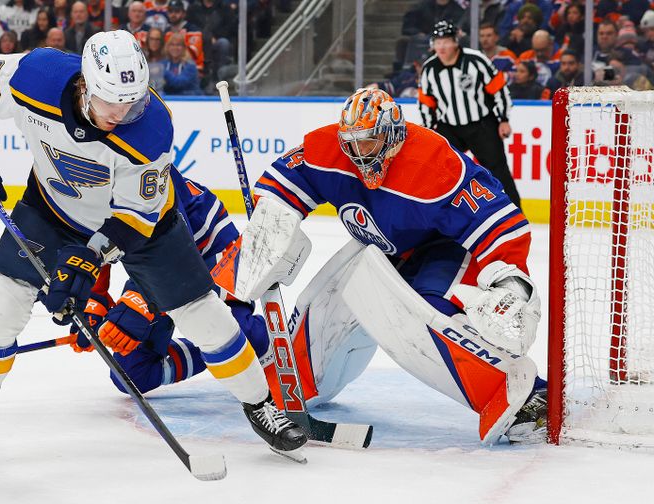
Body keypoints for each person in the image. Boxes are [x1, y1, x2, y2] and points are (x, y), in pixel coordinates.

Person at [0, 29, 306, 468]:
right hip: (51, 208)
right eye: (113, 102)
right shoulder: (35, 74)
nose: (125, 111)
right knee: (3, 300)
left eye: (133, 100)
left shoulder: (150, 127)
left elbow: (133, 218)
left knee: (202, 313)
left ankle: (261, 405)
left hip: (142, 224)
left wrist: (88, 263)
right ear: (85, 86)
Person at [214, 86, 547, 445]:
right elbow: (283, 183)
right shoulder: (327, 149)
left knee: (423, 316)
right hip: (384, 251)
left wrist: (511, 280)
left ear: (392, 135)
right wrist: (270, 227)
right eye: (351, 143)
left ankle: (528, 396)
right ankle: (292, 384)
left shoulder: (433, 163)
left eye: (368, 143)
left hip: (443, 249)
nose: (358, 154)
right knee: (324, 301)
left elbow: (499, 221)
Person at [70, 168, 272, 400]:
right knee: (130, 375)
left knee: (232, 329)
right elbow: (92, 237)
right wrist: (94, 299)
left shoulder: (141, 159)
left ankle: (260, 336)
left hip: (209, 256)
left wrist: (139, 304)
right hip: (152, 260)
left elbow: (167, 244)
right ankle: (226, 346)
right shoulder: (80, 167)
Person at [419, 21, 521, 208]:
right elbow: (426, 102)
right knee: (440, 172)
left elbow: (498, 89)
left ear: (456, 42)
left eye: (445, 41)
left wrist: (503, 119)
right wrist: (429, 129)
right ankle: (441, 216)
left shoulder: (476, 60)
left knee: (498, 171)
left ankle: (515, 213)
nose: (440, 46)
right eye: (437, 42)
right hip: (449, 127)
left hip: (481, 125)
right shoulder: (429, 68)